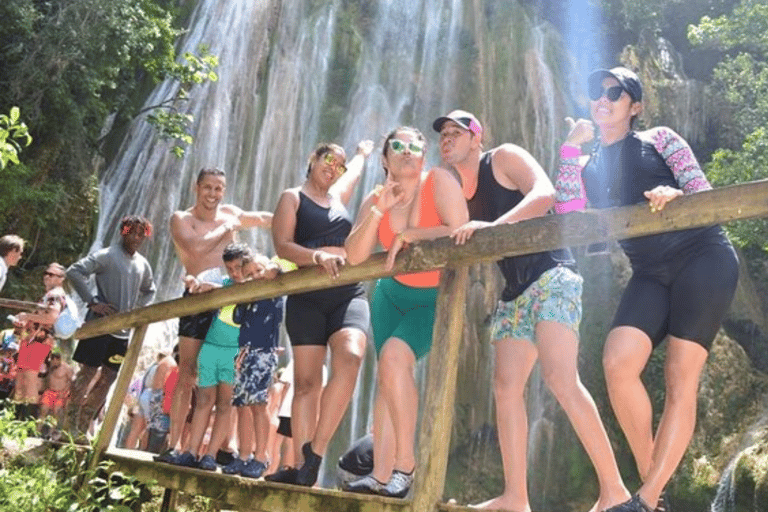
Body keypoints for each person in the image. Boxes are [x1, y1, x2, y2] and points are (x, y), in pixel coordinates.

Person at [555, 67, 739, 512]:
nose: (603, 99)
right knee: (617, 363)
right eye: (596, 93)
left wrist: (675, 196)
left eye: (614, 93)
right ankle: (651, 490)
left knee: (680, 377)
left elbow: (702, 192)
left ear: (634, 106)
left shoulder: (661, 139)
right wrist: (569, 148)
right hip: (650, 271)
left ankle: (646, 499)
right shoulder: (586, 164)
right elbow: (568, 212)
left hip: (703, 256)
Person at [432, 110, 633, 512]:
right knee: (505, 389)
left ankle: (615, 492)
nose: (448, 139)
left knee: (561, 378)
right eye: (443, 135)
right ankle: (515, 497)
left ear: (477, 137)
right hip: (514, 292)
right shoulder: (457, 189)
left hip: (552, 274)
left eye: (457, 132)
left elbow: (544, 195)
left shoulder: (503, 157)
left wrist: (492, 228)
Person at [342, 126, 468, 498]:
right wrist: (379, 210)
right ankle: (380, 475)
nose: (407, 151)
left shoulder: (439, 181)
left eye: (416, 146)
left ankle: (405, 466)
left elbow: (460, 229)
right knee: (387, 378)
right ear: (384, 159)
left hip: (433, 297)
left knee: (396, 357)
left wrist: (411, 233)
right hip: (389, 297)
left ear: (424, 156)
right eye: (398, 146)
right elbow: (354, 255)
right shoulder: (376, 197)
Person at [268, 139, 373, 486]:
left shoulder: (338, 198)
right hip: (307, 297)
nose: (333, 167)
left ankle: (316, 451)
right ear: (313, 158)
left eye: (338, 165)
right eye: (328, 159)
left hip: (347, 293)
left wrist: (361, 154)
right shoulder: (292, 197)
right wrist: (317, 256)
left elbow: (354, 174)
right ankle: (300, 467)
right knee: (306, 385)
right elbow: (282, 246)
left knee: (352, 355)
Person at [157, 167, 273, 464]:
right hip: (196, 300)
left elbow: (263, 219)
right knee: (187, 373)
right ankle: (174, 446)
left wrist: (298, 228)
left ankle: (222, 447)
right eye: (208, 187)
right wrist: (227, 227)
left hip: (230, 302)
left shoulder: (231, 212)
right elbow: (195, 249)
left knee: (228, 378)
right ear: (197, 187)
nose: (213, 194)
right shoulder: (181, 219)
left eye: (219, 188)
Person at [65, 215, 156, 439]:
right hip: (100, 327)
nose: (136, 237)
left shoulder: (143, 264)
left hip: (121, 334)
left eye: (140, 234)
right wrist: (93, 302)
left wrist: (138, 312)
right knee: (86, 374)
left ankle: (84, 426)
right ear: (122, 232)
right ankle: (67, 427)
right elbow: (74, 271)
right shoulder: (107, 255)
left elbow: (150, 290)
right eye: (132, 232)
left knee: (108, 378)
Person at [169, 242, 252, 470]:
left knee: (225, 404)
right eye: (230, 269)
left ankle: (211, 454)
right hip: (211, 348)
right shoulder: (224, 284)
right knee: (204, 400)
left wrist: (245, 351)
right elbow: (205, 286)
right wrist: (197, 284)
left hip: (233, 353)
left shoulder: (256, 287)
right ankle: (192, 451)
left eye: (239, 267)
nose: (235, 273)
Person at [221, 251, 284, 478]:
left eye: (259, 270)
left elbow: (278, 272)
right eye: (249, 274)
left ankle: (261, 456)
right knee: (241, 405)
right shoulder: (248, 296)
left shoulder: (273, 290)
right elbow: (237, 317)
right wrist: (243, 292)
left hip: (264, 353)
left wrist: (271, 271)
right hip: (243, 355)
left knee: (258, 404)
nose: (256, 276)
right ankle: (244, 455)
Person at [13, 263, 68, 419]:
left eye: (51, 274)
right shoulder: (49, 294)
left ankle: (25, 421)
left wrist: (27, 316)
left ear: (61, 279)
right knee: (23, 377)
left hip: (41, 340)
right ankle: (18, 419)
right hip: (33, 339)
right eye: (46, 273)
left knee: (30, 379)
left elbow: (51, 316)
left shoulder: (55, 295)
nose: (46, 276)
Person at [39, 352, 74, 431]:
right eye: (53, 360)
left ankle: (51, 433)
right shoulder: (49, 366)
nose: (54, 362)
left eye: (56, 360)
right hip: (49, 392)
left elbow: (71, 381)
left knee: (55, 413)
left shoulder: (66, 368)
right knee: (43, 411)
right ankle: (37, 431)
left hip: (60, 394)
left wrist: (65, 392)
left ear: (59, 360)